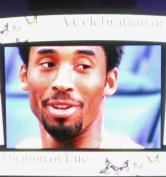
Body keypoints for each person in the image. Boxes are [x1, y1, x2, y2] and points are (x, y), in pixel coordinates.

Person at [15, 44, 143, 149]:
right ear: (24, 76)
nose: (62, 83)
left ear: (109, 82)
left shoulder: (139, 166)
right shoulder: (16, 162)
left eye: (83, 66)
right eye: (48, 64)